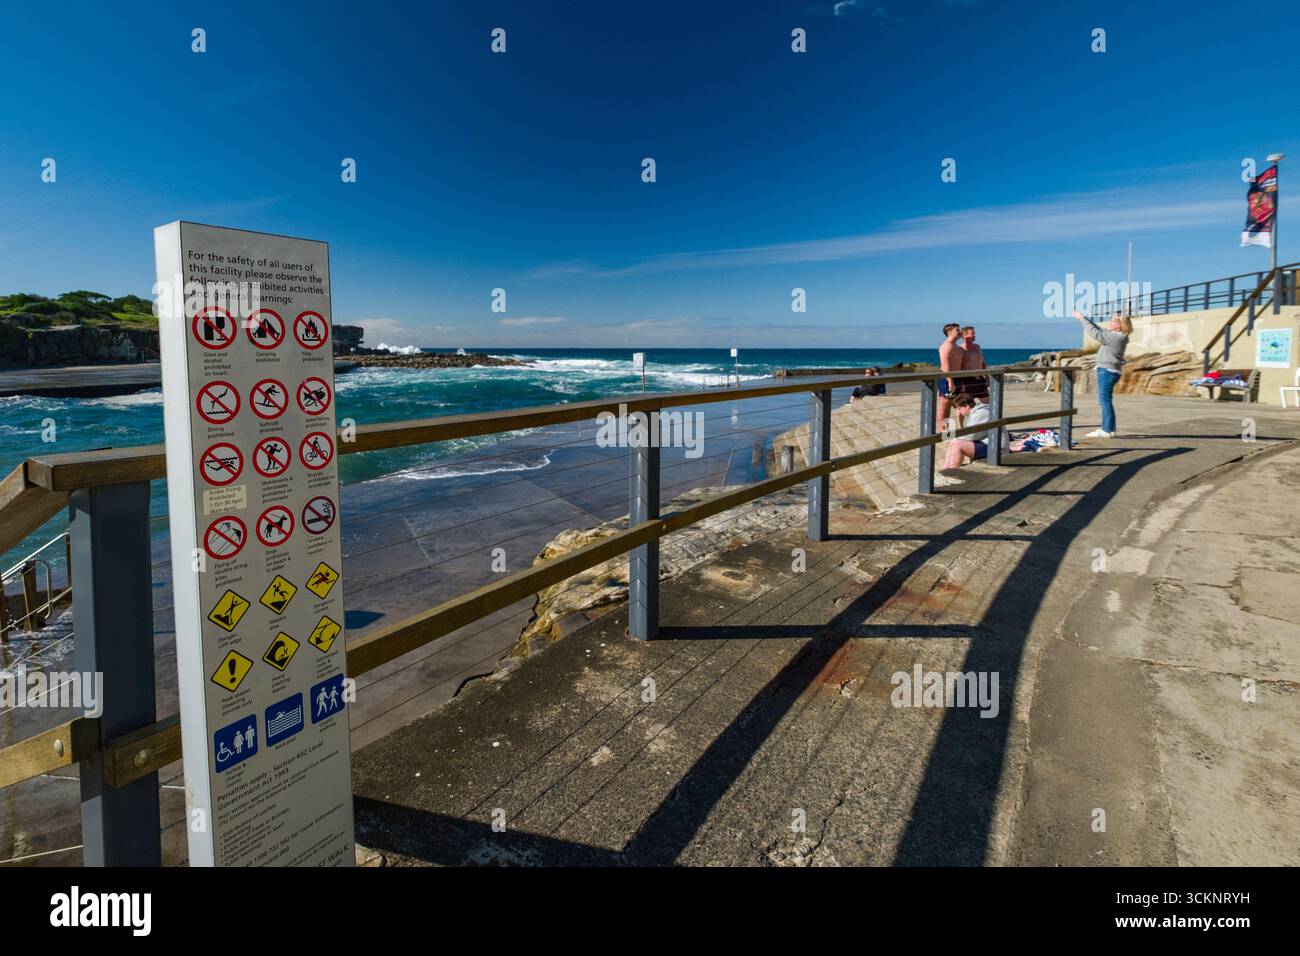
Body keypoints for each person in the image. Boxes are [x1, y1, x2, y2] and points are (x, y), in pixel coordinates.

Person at [1073, 310, 1131, 438]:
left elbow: (1095, 333)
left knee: (1105, 401)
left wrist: (1082, 319)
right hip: (1110, 371)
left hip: (1107, 372)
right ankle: (1110, 428)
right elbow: (1099, 330)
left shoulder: (1114, 337)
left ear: (1119, 325)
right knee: (1105, 400)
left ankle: (1106, 430)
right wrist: (1086, 318)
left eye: (1113, 321)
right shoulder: (1118, 336)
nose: (1110, 322)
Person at [943, 393, 991, 468]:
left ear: (967, 406)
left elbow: (972, 436)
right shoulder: (977, 412)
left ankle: (950, 471)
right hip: (989, 444)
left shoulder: (979, 414)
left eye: (959, 409)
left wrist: (955, 438)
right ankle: (947, 469)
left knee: (956, 443)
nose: (959, 412)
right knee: (954, 442)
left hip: (995, 448)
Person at [937, 323, 962, 426]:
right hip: (947, 378)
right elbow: (945, 366)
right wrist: (950, 381)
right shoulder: (946, 346)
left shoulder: (955, 346)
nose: (960, 331)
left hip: (956, 378)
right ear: (949, 332)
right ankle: (943, 430)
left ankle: (950, 429)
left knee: (954, 403)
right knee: (945, 404)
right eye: (957, 330)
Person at [959, 326, 989, 402]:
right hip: (967, 380)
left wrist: (987, 377)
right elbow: (958, 367)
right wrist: (961, 383)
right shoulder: (960, 349)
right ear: (964, 336)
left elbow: (982, 363)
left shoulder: (977, 347)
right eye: (972, 334)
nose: (975, 335)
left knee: (986, 403)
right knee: (965, 405)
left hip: (979, 378)